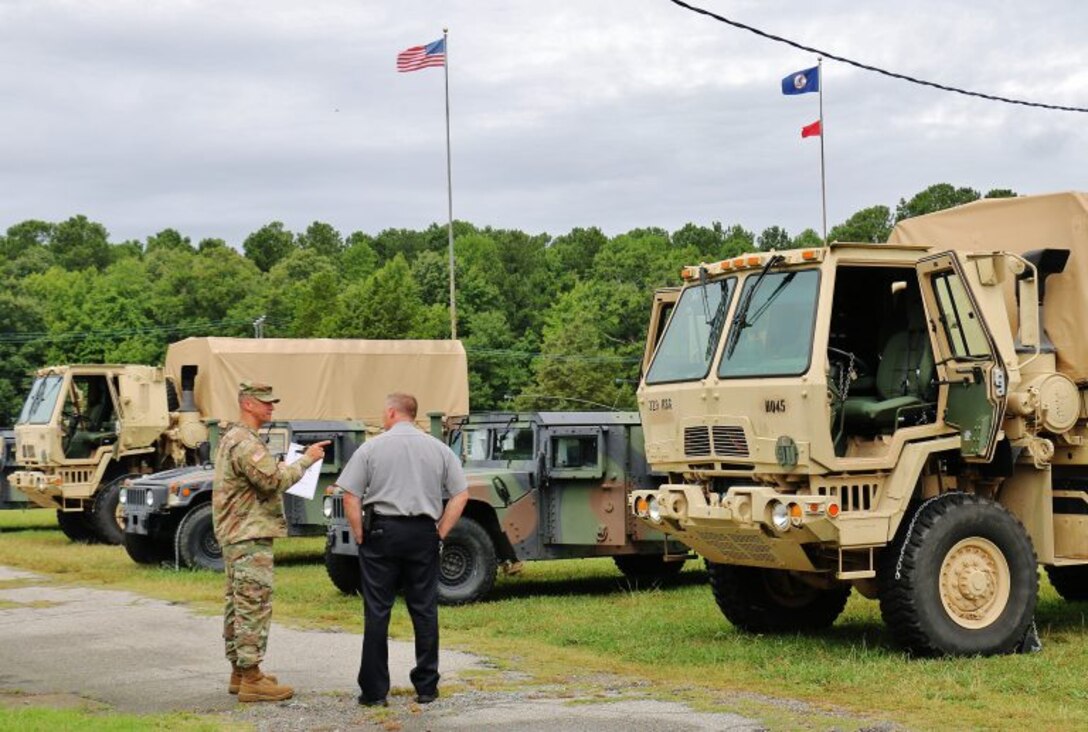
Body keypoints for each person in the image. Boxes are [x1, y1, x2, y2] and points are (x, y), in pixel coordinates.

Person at [335, 392, 468, 707]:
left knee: (378, 610)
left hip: (383, 532)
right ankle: (426, 686)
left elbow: (350, 495)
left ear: (392, 413)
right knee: (424, 609)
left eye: (384, 412)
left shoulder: (372, 448)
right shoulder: (439, 449)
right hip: (423, 532)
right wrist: (440, 532)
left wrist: (359, 533)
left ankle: (375, 691)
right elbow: (460, 494)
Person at [212, 381, 329, 703]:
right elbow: (273, 481)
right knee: (253, 604)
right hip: (248, 534)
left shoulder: (234, 438)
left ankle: (241, 672)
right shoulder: (245, 442)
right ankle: (251, 679)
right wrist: (307, 460)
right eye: (265, 402)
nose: (271, 407)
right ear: (247, 404)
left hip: (239, 533)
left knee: (238, 602)